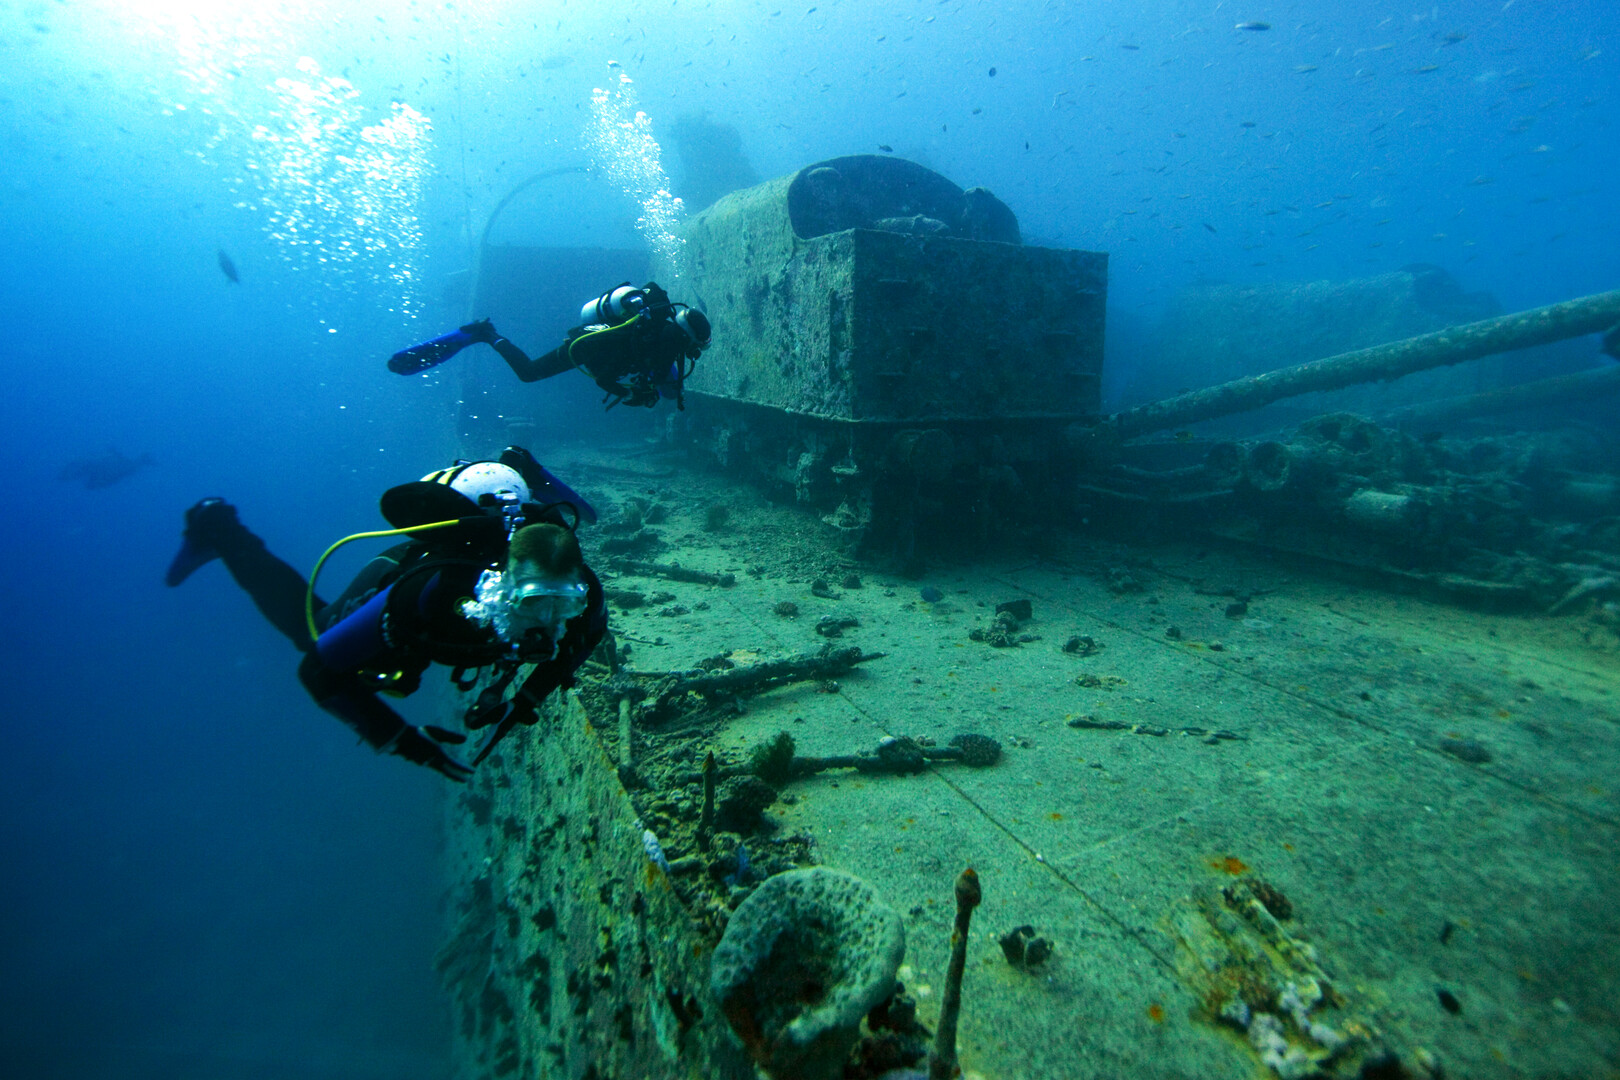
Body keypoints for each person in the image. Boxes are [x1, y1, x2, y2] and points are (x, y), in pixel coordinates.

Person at [165, 447, 608, 780]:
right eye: (534, 603)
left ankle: (516, 464)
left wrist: (528, 700)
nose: (551, 619)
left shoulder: (578, 586)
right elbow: (318, 670)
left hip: (489, 543)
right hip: (415, 580)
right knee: (313, 631)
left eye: (565, 602)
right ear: (499, 591)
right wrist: (404, 741)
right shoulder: (426, 593)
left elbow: (586, 634)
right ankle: (219, 527)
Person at [389, 281, 711, 410]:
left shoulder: (662, 339)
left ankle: (484, 334)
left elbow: (665, 385)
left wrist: (648, 391)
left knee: (665, 386)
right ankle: (486, 334)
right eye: (695, 348)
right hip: (587, 349)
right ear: (687, 338)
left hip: (610, 351)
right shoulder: (653, 340)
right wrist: (630, 393)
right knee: (529, 373)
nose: (693, 355)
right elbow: (604, 378)